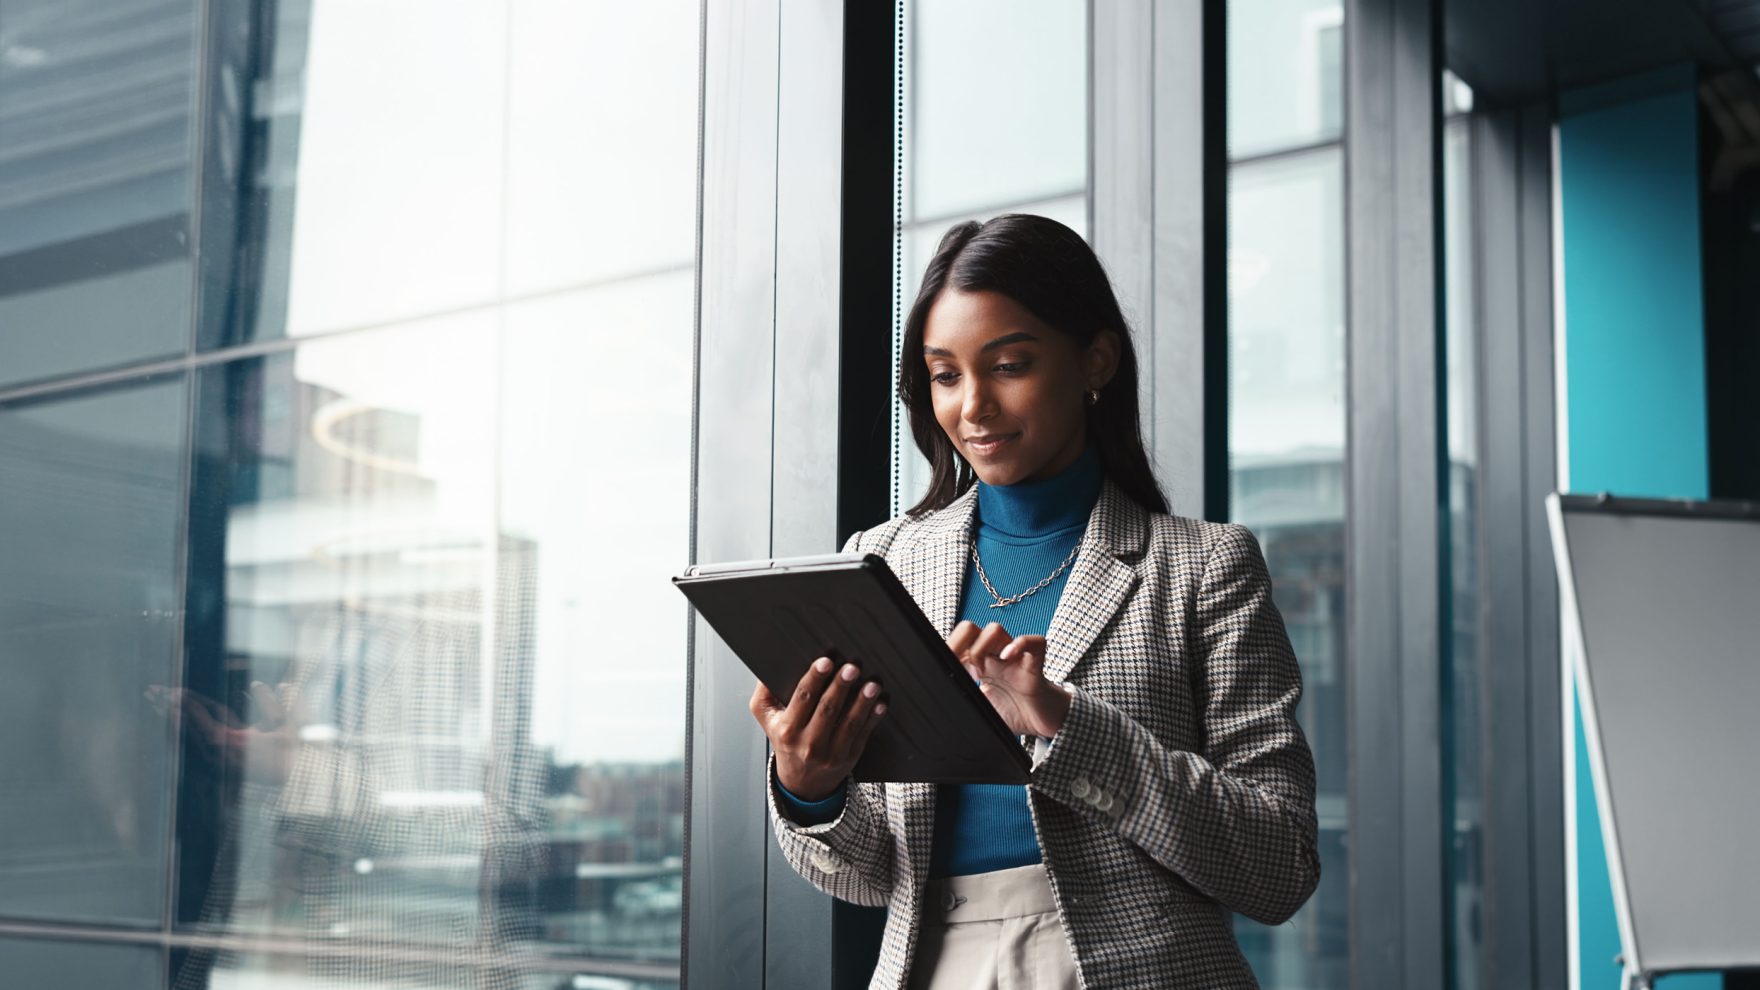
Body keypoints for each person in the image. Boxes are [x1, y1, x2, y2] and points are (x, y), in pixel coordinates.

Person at [747, 213, 1319, 989]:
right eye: (945, 375)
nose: (972, 407)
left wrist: (1067, 724)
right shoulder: (880, 563)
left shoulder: (1204, 566)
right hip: (933, 968)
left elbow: (1279, 865)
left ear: (1096, 360)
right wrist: (808, 788)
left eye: (1009, 365)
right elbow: (868, 875)